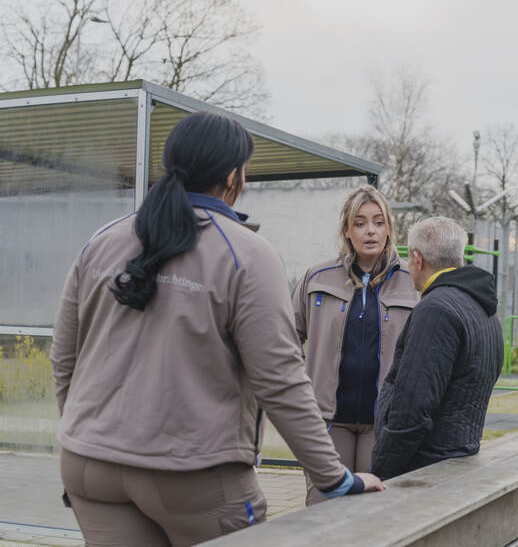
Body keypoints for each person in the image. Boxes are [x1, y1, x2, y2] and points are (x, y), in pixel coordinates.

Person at [50, 112, 383, 547]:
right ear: (233, 176)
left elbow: (64, 360)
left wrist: (86, 434)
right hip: (192, 476)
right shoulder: (246, 252)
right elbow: (280, 381)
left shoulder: (103, 240)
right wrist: (335, 478)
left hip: (90, 468)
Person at [292, 184, 419, 504]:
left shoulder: (411, 280)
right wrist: (300, 390)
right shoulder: (317, 277)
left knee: (374, 510)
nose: (370, 231)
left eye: (378, 222)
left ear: (389, 227)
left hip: (384, 423)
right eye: (360, 223)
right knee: (323, 507)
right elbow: (286, 337)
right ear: (346, 230)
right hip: (328, 420)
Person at [370, 217, 503, 480]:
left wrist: (381, 471)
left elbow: (412, 409)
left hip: (423, 471)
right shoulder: (484, 310)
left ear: (418, 260)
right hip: (459, 462)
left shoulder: (435, 310)